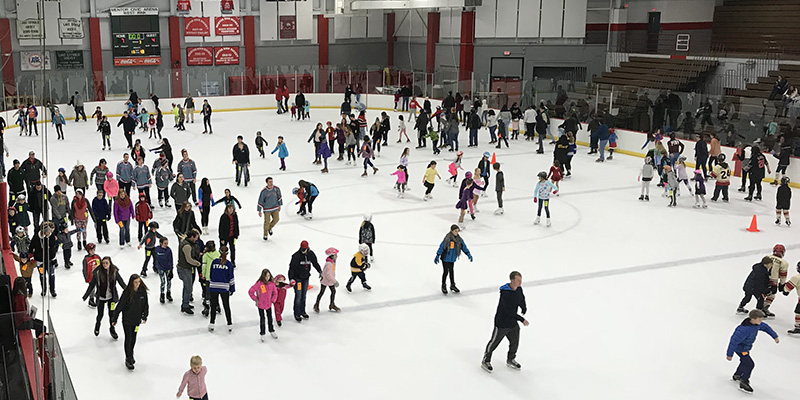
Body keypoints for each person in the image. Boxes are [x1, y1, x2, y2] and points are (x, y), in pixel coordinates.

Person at [481, 270, 528, 373]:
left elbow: (521, 298)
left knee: (515, 341)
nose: (520, 282)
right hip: (502, 323)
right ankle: (486, 360)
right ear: (512, 280)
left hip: (512, 323)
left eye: (521, 280)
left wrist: (523, 307)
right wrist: (522, 319)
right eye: (518, 280)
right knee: (494, 342)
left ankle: (511, 359)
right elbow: (509, 311)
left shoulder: (519, 289)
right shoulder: (505, 294)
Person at [725, 309, 779, 393]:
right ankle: (744, 380)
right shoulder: (743, 330)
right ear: (753, 319)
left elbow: (766, 327)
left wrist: (774, 336)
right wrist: (729, 354)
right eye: (759, 319)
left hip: (746, 348)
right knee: (750, 364)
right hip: (741, 349)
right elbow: (733, 341)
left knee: (744, 362)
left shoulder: (756, 325)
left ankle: (737, 374)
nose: (761, 321)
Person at [111, 274, 149, 370]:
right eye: (136, 282)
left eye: (139, 282)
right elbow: (120, 306)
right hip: (127, 320)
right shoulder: (127, 293)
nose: (138, 284)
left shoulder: (142, 292)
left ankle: (131, 354)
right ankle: (128, 358)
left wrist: (145, 316)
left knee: (133, 338)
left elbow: (145, 305)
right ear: (131, 283)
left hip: (137, 320)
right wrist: (114, 318)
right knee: (128, 338)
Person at [82, 256, 126, 337]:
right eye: (103, 263)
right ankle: (97, 326)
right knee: (100, 314)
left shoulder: (114, 272)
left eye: (106, 263)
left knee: (111, 315)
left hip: (111, 298)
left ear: (110, 263)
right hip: (101, 297)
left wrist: (127, 290)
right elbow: (92, 285)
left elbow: (121, 282)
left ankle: (112, 329)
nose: (105, 265)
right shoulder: (98, 273)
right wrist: (86, 295)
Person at [288, 240, 321, 322]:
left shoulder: (311, 254)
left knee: (304, 295)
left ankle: (302, 311)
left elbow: (315, 263)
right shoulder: (296, 256)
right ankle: (297, 313)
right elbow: (291, 268)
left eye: (304, 249)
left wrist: (320, 271)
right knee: (298, 296)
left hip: (306, 278)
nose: (303, 251)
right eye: (301, 249)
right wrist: (291, 278)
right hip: (297, 279)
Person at [434, 224, 473, 294]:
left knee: (451, 272)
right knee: (445, 272)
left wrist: (468, 254)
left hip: (452, 259)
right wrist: (437, 255)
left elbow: (463, 247)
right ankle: (443, 285)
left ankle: (452, 285)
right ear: (451, 231)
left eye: (457, 231)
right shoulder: (447, 238)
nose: (456, 233)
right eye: (455, 231)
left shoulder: (459, 239)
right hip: (445, 258)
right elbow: (442, 247)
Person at [208, 245, 235, 333]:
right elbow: (231, 278)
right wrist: (232, 289)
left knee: (213, 306)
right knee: (226, 306)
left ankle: (212, 324)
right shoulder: (229, 264)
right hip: (224, 288)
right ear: (227, 253)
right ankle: (229, 324)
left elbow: (211, 274)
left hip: (213, 287)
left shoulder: (214, 262)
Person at [29, 222, 58, 297]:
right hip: (40, 260)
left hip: (50, 260)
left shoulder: (51, 236)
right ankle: (44, 289)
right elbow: (31, 247)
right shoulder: (37, 237)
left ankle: (52, 289)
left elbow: (53, 247)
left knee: (51, 275)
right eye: (47, 231)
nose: (49, 232)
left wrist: (54, 258)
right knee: (42, 275)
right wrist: (31, 256)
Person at [248, 269, 278, 341]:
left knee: (270, 318)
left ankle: (271, 330)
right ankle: (262, 333)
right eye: (266, 276)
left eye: (268, 276)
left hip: (268, 304)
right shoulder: (259, 284)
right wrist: (256, 299)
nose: (267, 277)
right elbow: (250, 291)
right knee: (262, 318)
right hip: (261, 305)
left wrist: (273, 300)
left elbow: (275, 293)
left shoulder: (272, 284)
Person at [176, 230, 201, 315]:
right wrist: (197, 263)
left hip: (185, 268)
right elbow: (189, 259)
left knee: (186, 287)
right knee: (188, 288)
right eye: (196, 238)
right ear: (192, 237)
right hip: (185, 269)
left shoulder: (187, 243)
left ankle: (185, 303)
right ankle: (185, 306)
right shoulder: (187, 246)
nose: (196, 240)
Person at [314, 248, 340, 313]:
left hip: (330, 280)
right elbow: (328, 275)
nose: (337, 256)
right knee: (322, 292)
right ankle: (316, 304)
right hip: (326, 280)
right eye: (336, 255)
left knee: (333, 291)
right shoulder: (329, 264)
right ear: (332, 256)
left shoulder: (332, 262)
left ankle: (332, 304)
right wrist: (335, 281)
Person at [153, 237, 173, 304]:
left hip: (167, 268)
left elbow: (171, 260)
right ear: (161, 243)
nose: (166, 244)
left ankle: (168, 294)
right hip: (160, 268)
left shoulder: (169, 250)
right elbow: (154, 257)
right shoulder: (156, 249)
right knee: (163, 282)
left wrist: (171, 270)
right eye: (165, 243)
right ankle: (162, 295)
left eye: (167, 243)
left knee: (169, 281)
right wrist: (155, 266)